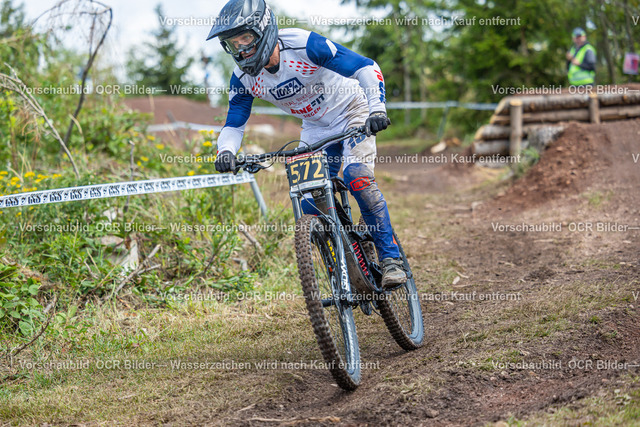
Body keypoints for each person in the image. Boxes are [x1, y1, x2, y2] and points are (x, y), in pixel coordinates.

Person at [207, 0, 406, 288]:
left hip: (353, 111)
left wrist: (377, 109)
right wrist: (226, 152)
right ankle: (349, 258)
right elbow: (234, 123)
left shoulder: (303, 45)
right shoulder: (243, 78)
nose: (241, 50)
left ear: (263, 29)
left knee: (357, 177)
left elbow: (365, 66)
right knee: (309, 202)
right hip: (315, 127)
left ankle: (391, 259)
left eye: (245, 39)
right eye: (233, 44)